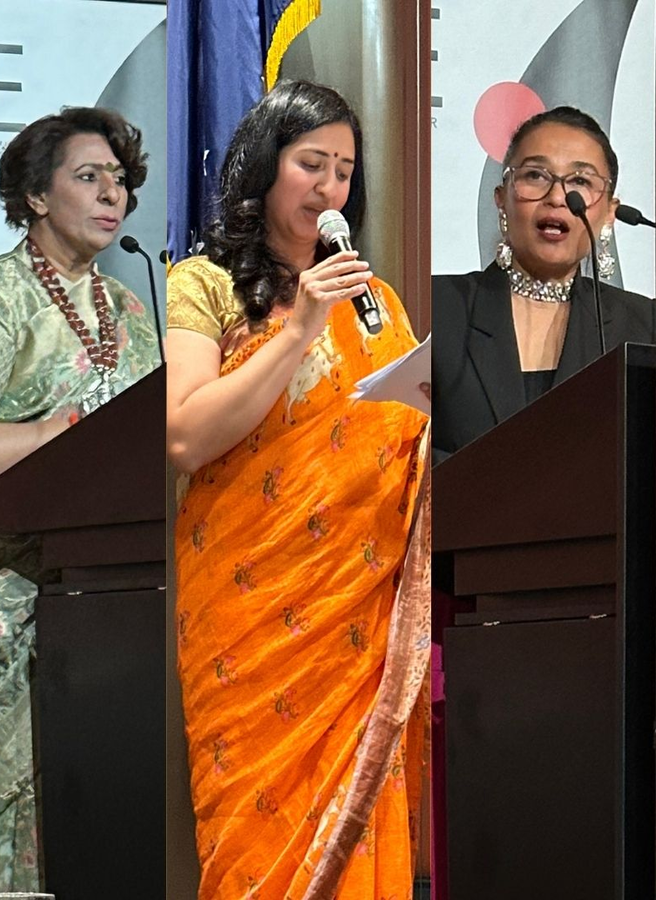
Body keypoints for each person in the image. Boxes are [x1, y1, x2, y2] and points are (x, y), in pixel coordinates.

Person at [166, 80, 432, 900]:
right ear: (262, 169)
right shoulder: (203, 286)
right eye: (310, 164)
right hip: (250, 611)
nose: (329, 190)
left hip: (357, 613)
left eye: (344, 171)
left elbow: (405, 428)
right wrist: (298, 329)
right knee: (254, 829)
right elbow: (184, 437)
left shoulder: (375, 298)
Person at [0, 107, 161, 899]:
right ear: (34, 195)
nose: (113, 195)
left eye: (122, 181)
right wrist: (56, 437)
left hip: (101, 610)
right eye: (88, 176)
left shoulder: (134, 316)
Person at [431, 105, 656, 457]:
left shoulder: (637, 322)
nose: (557, 197)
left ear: (609, 213)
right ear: (502, 199)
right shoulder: (438, 307)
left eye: (581, 181)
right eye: (536, 176)